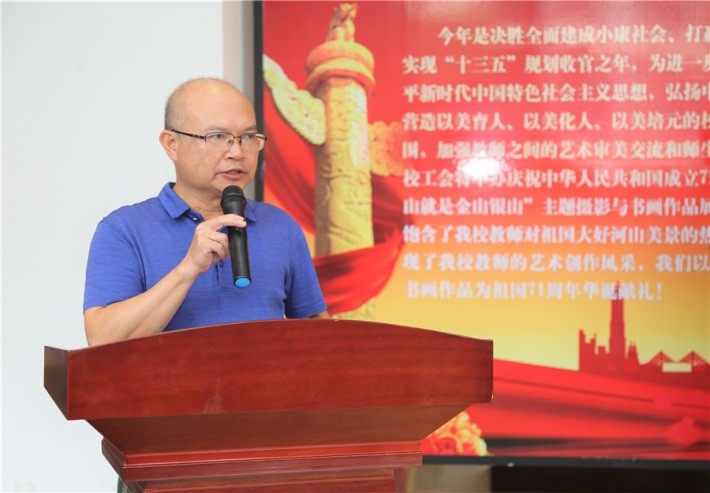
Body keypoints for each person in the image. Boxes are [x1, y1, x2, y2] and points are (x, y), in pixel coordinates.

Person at [83, 78, 329, 347]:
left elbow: (318, 333)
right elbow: (102, 340)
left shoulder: (281, 227)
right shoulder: (123, 230)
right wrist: (188, 269)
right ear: (172, 144)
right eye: (217, 137)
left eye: (248, 137)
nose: (237, 152)